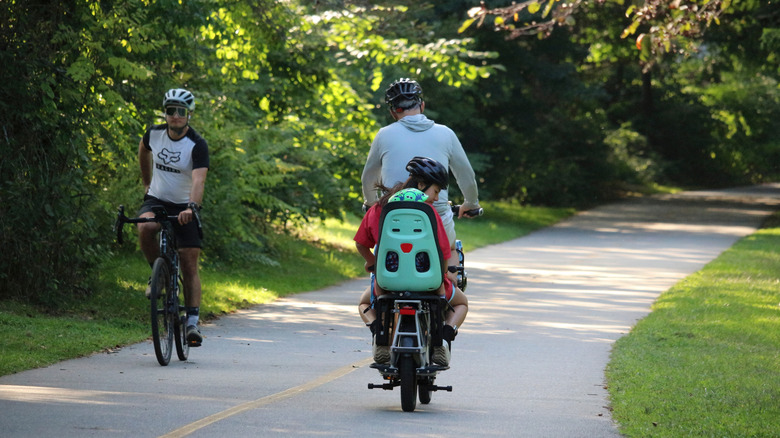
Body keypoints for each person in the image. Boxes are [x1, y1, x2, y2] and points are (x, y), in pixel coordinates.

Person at [361, 78, 482, 279]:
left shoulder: (383, 135)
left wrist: (372, 202)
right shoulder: (446, 134)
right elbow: (466, 175)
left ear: (393, 112)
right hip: (437, 218)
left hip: (394, 218)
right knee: (450, 251)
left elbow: (369, 177)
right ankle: (447, 295)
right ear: (422, 105)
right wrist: (471, 203)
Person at [355, 157, 468, 366]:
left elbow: (361, 243)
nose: (435, 199)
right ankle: (442, 340)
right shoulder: (429, 213)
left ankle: (379, 334)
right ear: (422, 185)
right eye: (435, 191)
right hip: (429, 283)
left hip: (388, 282)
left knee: (364, 303)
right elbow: (444, 252)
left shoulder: (380, 208)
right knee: (461, 303)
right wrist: (442, 274)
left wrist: (371, 263)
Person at [137, 88, 209, 347]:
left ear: (189, 114)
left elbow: (199, 179)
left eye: (181, 111)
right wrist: (146, 183)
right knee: (145, 228)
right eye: (171, 111)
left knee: (189, 263)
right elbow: (143, 151)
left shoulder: (197, 144)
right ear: (165, 113)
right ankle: (160, 275)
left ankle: (192, 321)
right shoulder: (154, 134)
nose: (175, 116)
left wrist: (192, 206)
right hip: (156, 198)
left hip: (184, 205)